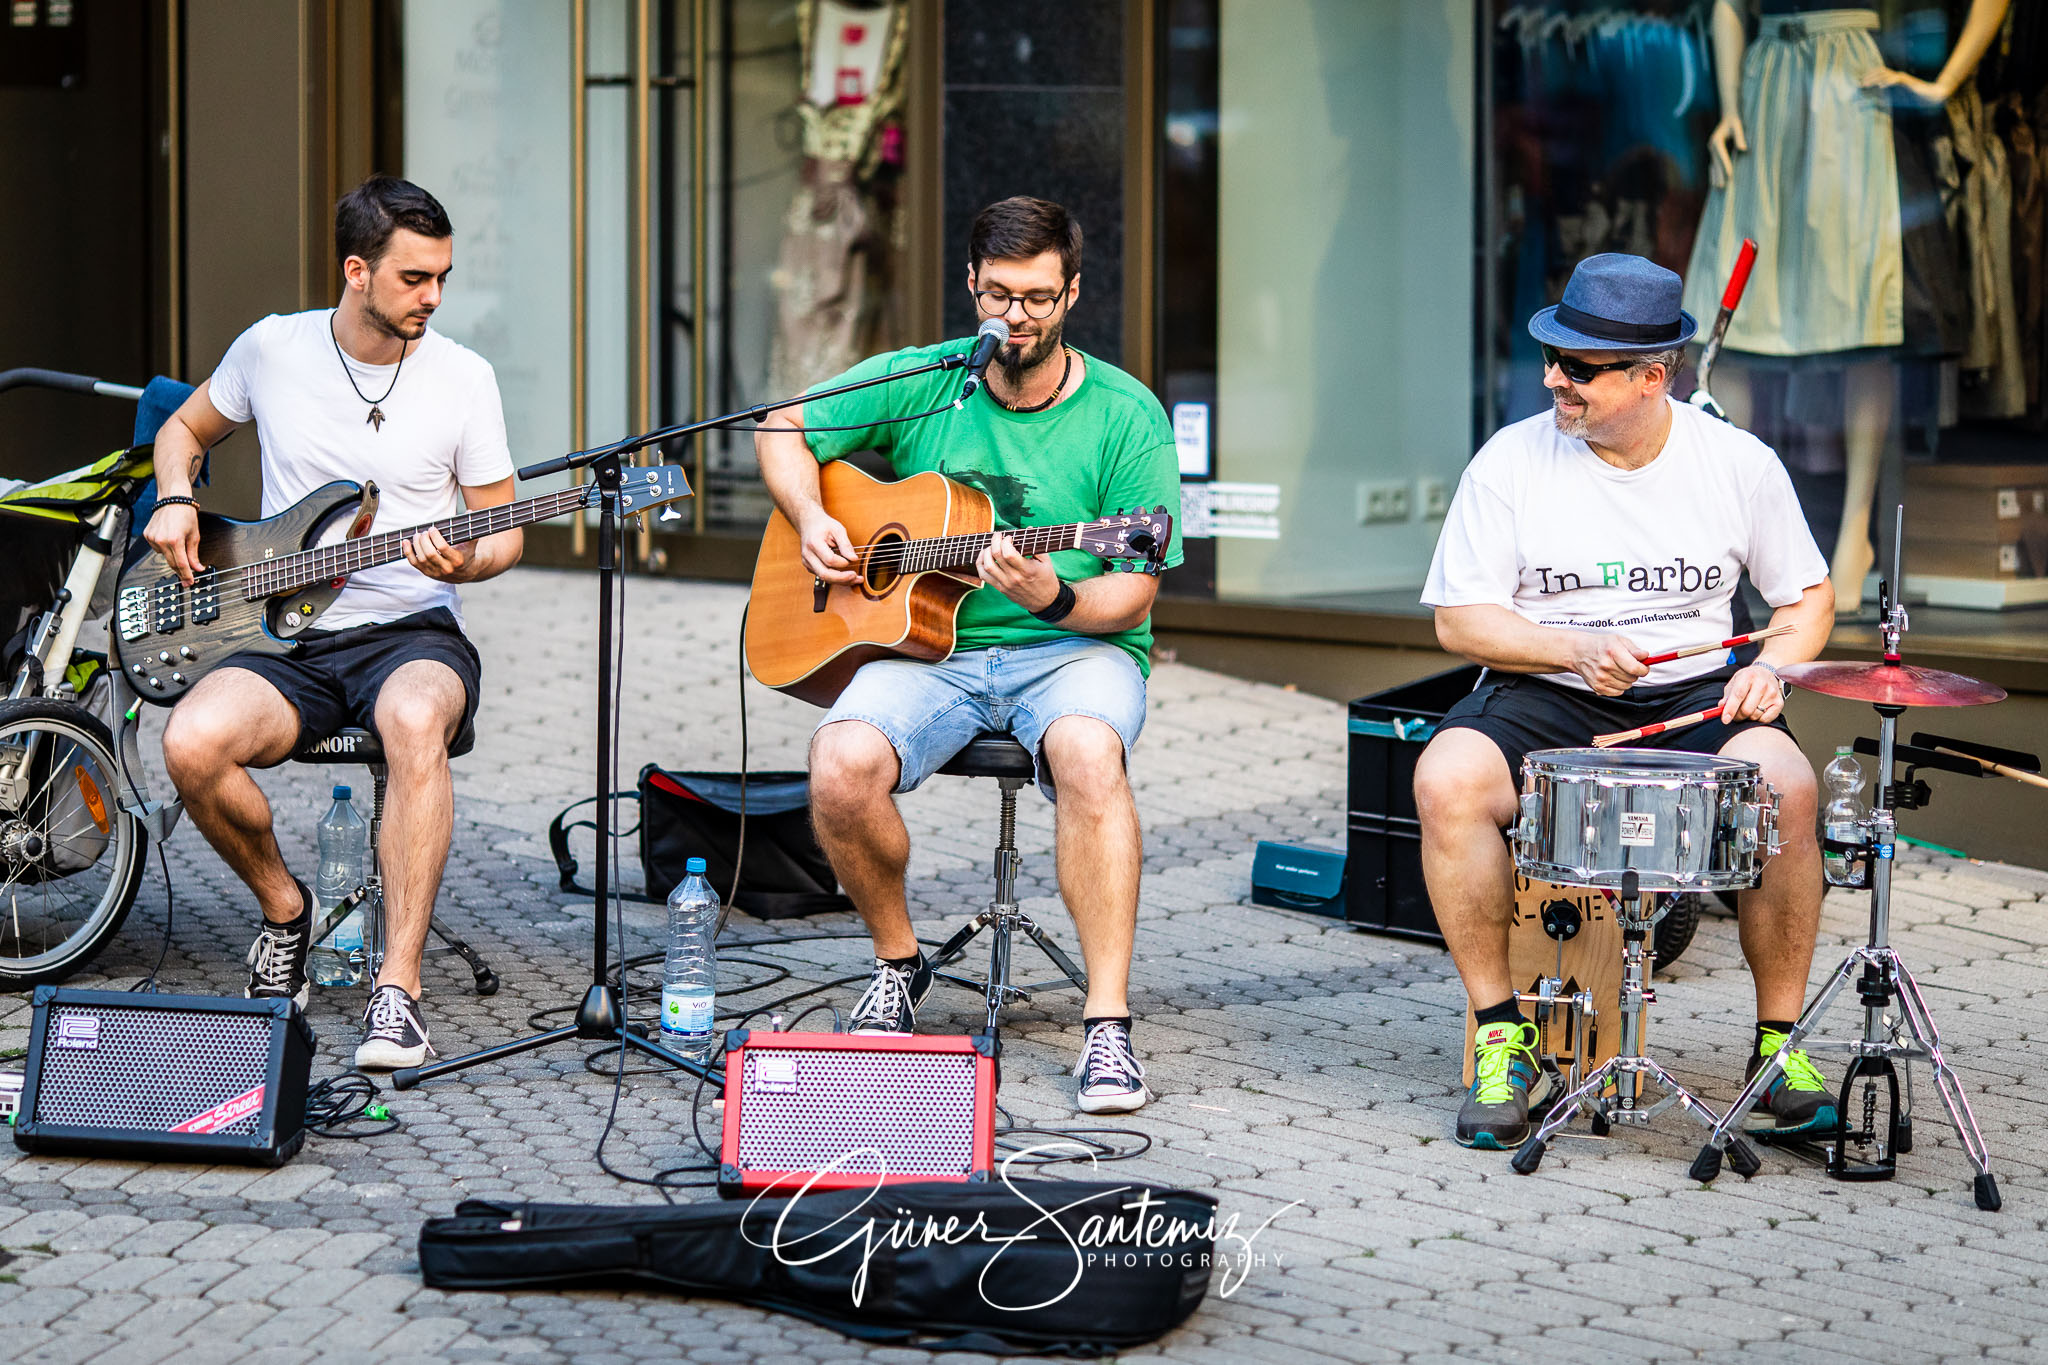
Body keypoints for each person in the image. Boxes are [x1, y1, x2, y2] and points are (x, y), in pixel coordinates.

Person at [755, 196, 1182, 1114]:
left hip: (1070, 648)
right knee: (838, 764)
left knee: (1085, 754)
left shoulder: (1127, 416)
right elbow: (783, 426)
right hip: (927, 648)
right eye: (997, 295)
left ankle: (1106, 1025)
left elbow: (1135, 590)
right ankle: (899, 963)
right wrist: (815, 516)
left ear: (1073, 292)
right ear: (971, 286)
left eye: (1036, 298)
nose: (1015, 318)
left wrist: (1055, 594)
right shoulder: (928, 377)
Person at [1415, 253, 1835, 1150]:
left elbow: (1807, 599)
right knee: (1445, 778)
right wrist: (1569, 645)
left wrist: (1778, 669)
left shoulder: (1737, 463)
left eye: (1580, 368)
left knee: (1791, 788)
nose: (1553, 379)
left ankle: (1779, 1048)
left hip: (1695, 695)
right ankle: (1502, 1036)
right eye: (1552, 357)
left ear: (1655, 377)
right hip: (1548, 688)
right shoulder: (1510, 463)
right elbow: (1459, 619)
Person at [145, 175, 520, 1070]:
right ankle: (285, 912)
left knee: (413, 718)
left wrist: (463, 560)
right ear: (357, 271)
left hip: (412, 631)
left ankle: (398, 989)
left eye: (443, 277)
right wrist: (172, 498)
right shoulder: (274, 350)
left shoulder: (465, 378)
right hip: (287, 638)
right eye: (414, 278)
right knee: (191, 742)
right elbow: (181, 431)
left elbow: (503, 534)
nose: (434, 296)